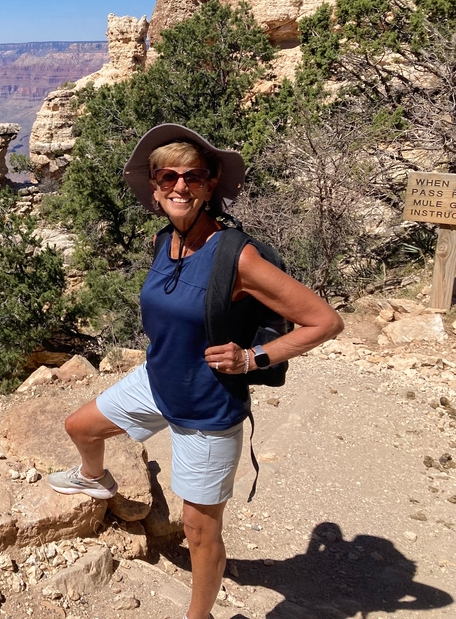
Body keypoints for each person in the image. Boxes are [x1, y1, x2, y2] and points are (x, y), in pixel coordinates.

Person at [47, 123, 344, 619]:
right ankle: (94, 478)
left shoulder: (237, 257)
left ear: (210, 186)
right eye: (168, 177)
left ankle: (198, 615)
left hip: (208, 410)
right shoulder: (164, 240)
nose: (180, 186)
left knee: (200, 532)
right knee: (80, 426)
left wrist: (251, 358)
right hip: (157, 382)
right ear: (155, 187)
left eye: (193, 176)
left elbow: (325, 321)